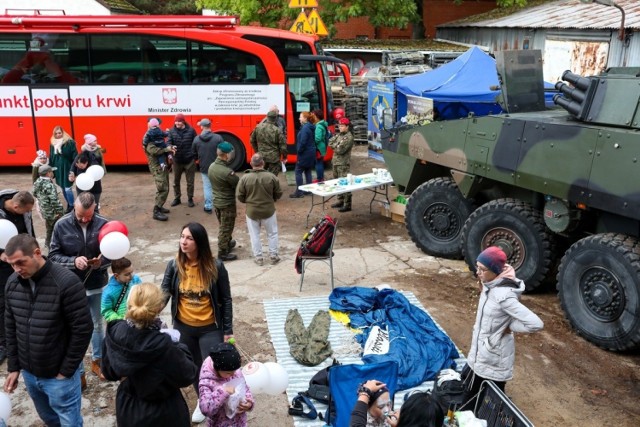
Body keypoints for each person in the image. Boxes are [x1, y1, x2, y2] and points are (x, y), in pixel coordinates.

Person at [3, 234, 92, 426]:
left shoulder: (67, 283)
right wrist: (14, 366)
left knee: (70, 422)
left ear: (37, 253)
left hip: (59, 378)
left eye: (21, 262)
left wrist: (65, 372)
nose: (17, 269)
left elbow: (83, 330)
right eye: (11, 264)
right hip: (29, 373)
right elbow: (11, 326)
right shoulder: (12, 283)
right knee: (49, 419)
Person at [160, 222, 234, 423]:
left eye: (189, 238)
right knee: (192, 368)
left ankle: (222, 401)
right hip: (184, 326)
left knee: (213, 368)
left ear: (199, 242)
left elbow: (226, 299)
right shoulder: (174, 265)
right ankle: (204, 401)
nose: (183, 241)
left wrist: (228, 330)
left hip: (210, 328)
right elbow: (164, 293)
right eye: (182, 237)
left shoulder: (215, 266)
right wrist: (148, 312)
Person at [102, 283, 198, 427]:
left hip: (129, 408)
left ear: (129, 305)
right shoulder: (164, 344)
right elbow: (187, 375)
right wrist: (178, 345)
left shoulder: (115, 332)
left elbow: (109, 372)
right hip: (164, 411)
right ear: (159, 307)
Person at [463, 246, 543, 404]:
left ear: (495, 271)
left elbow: (536, 324)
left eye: (482, 269)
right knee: (471, 394)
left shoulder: (504, 296)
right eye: (477, 267)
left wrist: (510, 327)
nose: (477, 273)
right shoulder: (490, 282)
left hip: (493, 355)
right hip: (480, 351)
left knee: (487, 400)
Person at [49, 191, 110, 383]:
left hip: (97, 283)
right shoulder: (61, 225)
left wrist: (103, 262)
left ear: (95, 208)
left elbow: (114, 253)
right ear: (74, 208)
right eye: (80, 215)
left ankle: (97, 360)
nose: (84, 219)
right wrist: (73, 262)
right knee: (73, 328)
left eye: (88, 215)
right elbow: (53, 256)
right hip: (70, 286)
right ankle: (78, 370)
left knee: (97, 324)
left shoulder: (104, 224)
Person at [0, 190, 35, 365]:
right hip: (2, 266)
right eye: (25, 211)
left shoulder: (24, 207)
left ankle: (24, 332)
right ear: (15, 207)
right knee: (3, 302)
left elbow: (29, 232)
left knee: (25, 295)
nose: (28, 214)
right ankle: (4, 343)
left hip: (22, 260)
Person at [236, 153, 283, 266]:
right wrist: (272, 200)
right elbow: (278, 193)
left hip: (252, 211)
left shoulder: (245, 178)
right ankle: (273, 256)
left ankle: (259, 258)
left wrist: (248, 202)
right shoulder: (271, 177)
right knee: (272, 234)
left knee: (254, 235)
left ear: (251, 163)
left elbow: (240, 196)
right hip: (268, 210)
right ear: (263, 163)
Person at [199, 342, 254, 427]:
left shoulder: (236, 372)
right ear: (217, 369)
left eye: (235, 371)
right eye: (228, 373)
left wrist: (249, 403)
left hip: (240, 422)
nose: (233, 375)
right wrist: (223, 391)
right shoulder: (206, 382)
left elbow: (245, 388)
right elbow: (206, 409)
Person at [209, 142, 240, 261]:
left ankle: (227, 242)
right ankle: (222, 252)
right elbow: (236, 182)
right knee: (226, 228)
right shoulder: (227, 172)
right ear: (226, 155)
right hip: (227, 203)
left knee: (223, 225)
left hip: (217, 201)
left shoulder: (212, 166)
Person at [143, 117, 176, 221]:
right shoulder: (150, 139)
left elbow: (163, 145)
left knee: (165, 187)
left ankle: (160, 206)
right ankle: (156, 211)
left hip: (162, 166)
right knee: (162, 188)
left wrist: (169, 150)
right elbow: (155, 151)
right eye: (157, 125)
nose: (159, 127)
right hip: (157, 168)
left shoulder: (156, 135)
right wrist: (167, 149)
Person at [192, 118, 223, 214]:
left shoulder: (196, 139)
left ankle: (208, 206)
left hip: (204, 167)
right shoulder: (218, 138)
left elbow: (194, 154)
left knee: (207, 186)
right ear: (210, 126)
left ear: (201, 127)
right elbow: (223, 151)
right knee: (218, 186)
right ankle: (221, 205)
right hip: (217, 166)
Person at [168, 113, 198, 208]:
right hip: (177, 161)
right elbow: (168, 143)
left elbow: (196, 143)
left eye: (179, 121)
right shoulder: (171, 131)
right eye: (176, 121)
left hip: (189, 161)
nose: (177, 123)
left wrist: (194, 157)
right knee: (175, 182)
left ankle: (190, 199)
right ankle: (177, 198)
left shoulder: (191, 131)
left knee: (190, 182)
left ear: (183, 121)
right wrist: (170, 149)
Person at [32, 164, 64, 250]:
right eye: (51, 171)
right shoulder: (49, 185)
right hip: (52, 212)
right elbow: (54, 201)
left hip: (44, 210)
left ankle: (48, 243)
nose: (53, 173)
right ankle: (52, 245)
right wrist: (61, 212)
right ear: (48, 173)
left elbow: (34, 193)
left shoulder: (37, 181)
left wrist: (43, 200)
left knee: (49, 227)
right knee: (55, 228)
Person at [101, 257, 142, 322]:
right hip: (122, 323)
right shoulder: (108, 292)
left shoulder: (136, 280)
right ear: (116, 275)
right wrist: (120, 321)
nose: (131, 276)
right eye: (127, 274)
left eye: (132, 272)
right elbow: (107, 311)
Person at [49, 125, 78, 212]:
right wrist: (51, 169)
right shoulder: (52, 144)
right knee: (62, 188)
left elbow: (75, 157)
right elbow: (51, 157)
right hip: (58, 169)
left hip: (67, 168)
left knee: (68, 188)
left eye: (59, 133)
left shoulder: (70, 143)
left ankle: (73, 206)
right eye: (56, 133)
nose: (58, 135)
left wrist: (74, 170)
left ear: (63, 133)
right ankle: (69, 205)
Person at [250, 109, 287, 176]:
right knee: (272, 177)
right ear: (275, 119)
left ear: (267, 117)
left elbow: (252, 140)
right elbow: (283, 147)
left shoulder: (258, 127)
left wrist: (257, 151)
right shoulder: (277, 130)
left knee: (260, 175)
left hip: (261, 156)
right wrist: (284, 157)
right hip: (274, 158)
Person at [328, 117, 355, 212]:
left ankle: (347, 204)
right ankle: (340, 200)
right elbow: (330, 142)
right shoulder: (339, 135)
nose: (340, 127)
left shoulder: (349, 137)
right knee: (337, 183)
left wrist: (335, 146)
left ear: (347, 127)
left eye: (342, 126)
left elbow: (340, 150)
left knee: (345, 183)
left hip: (343, 163)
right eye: (339, 125)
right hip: (335, 162)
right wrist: (336, 145)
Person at [289, 112, 316, 198]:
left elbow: (303, 142)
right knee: (307, 170)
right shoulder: (310, 127)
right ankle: (308, 190)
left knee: (298, 171)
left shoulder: (305, 129)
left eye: (300, 117)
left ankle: (299, 192)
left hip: (304, 153)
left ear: (305, 118)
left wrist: (299, 151)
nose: (299, 119)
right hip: (311, 152)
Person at [311, 109, 329, 182]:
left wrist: (311, 143)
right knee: (320, 162)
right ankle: (320, 178)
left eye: (313, 116)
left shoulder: (318, 126)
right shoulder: (323, 124)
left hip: (318, 147)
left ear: (316, 117)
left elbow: (317, 138)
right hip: (322, 147)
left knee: (318, 163)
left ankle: (320, 179)